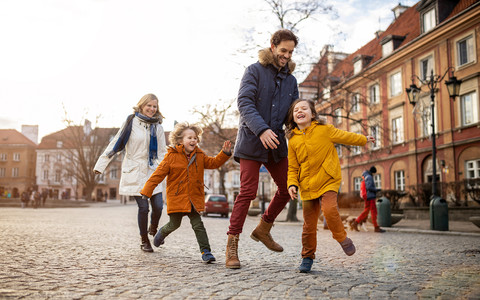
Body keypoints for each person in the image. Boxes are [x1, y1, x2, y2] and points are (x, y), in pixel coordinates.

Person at [226, 29, 299, 269]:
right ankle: (232, 245)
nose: (286, 56)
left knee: (287, 188)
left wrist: (304, 131)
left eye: (290, 52)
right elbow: (244, 103)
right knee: (248, 192)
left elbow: (292, 114)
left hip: (276, 142)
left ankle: (263, 228)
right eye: (283, 51)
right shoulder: (254, 71)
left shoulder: (291, 80)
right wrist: (261, 129)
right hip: (251, 139)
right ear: (272, 47)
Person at [286, 99, 376, 273]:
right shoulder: (293, 140)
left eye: (304, 108)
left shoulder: (325, 130)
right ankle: (307, 257)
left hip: (328, 179)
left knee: (329, 210)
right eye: (296, 109)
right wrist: (292, 184)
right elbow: (292, 166)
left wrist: (363, 139)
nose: (300, 111)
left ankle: (342, 238)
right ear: (293, 117)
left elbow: (345, 136)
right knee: (308, 225)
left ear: (313, 114)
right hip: (307, 184)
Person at [140, 122, 231, 263]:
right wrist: (147, 191)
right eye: (189, 137)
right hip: (177, 197)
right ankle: (160, 234)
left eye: (195, 138)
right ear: (180, 140)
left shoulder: (200, 155)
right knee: (174, 224)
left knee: (198, 225)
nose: (193, 140)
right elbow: (157, 175)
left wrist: (224, 154)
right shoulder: (171, 156)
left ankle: (206, 251)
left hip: (194, 198)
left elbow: (213, 163)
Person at [94, 93, 167, 253]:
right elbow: (116, 142)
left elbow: (162, 152)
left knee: (158, 206)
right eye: (149, 105)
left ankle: (153, 226)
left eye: (154, 106)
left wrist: (165, 171)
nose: (152, 109)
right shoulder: (131, 122)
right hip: (134, 171)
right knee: (143, 208)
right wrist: (101, 164)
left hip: (152, 171)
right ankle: (144, 240)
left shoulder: (158, 127)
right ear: (141, 105)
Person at [350, 166, 385, 233]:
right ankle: (376, 227)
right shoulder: (369, 177)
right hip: (370, 197)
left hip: (367, 197)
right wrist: (376, 190)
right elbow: (369, 187)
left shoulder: (365, 176)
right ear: (373, 172)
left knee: (366, 212)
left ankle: (355, 223)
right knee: (373, 212)